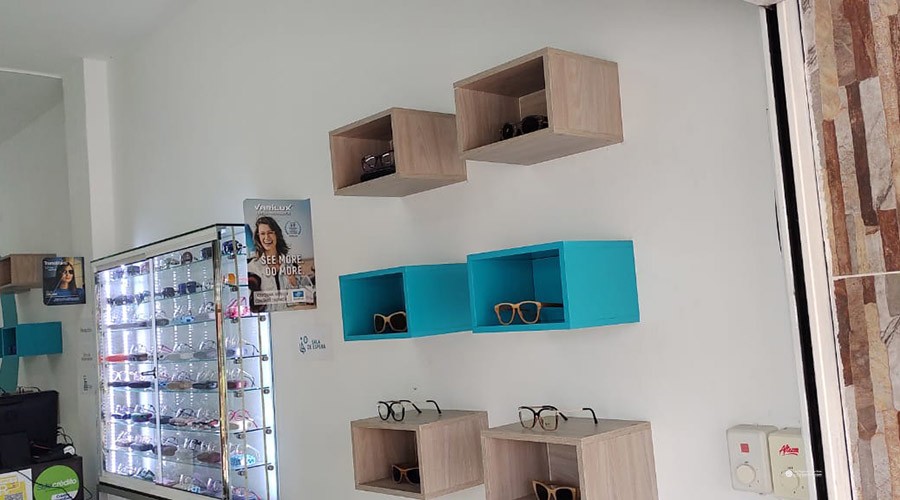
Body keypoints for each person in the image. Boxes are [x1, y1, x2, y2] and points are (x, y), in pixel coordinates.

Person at [247, 216, 299, 311]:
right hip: (268, 317)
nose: (267, 237)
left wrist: (294, 282)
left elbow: (301, 296)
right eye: (262, 234)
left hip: (290, 315)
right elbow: (251, 305)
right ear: (258, 237)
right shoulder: (252, 267)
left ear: (277, 235)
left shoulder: (290, 263)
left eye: (270, 232)